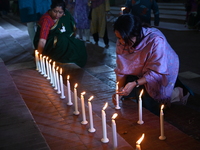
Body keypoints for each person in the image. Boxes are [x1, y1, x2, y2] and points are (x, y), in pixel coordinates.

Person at [112, 14, 191, 115]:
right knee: (127, 93)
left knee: (151, 107)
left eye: (125, 39)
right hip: (140, 70)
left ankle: (178, 93)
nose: (122, 43)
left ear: (136, 33)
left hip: (162, 69)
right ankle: (140, 84)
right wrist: (119, 92)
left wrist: (135, 83)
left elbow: (157, 72)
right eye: (119, 38)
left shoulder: (155, 40)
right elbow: (121, 70)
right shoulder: (122, 41)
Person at [34, 0, 87, 68]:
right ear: (51, 8)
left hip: (62, 38)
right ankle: (59, 59)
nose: (57, 15)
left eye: (60, 12)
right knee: (62, 39)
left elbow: (70, 29)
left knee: (78, 44)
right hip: (48, 43)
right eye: (55, 11)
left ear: (64, 12)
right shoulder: (46, 20)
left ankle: (69, 59)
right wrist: (39, 57)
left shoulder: (66, 15)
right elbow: (42, 40)